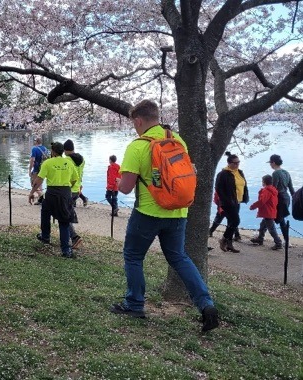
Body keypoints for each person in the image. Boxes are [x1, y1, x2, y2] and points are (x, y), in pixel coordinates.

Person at [110, 99, 218, 332]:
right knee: (179, 257)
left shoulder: (138, 146)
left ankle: (134, 304)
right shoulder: (177, 140)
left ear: (138, 121)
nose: (135, 128)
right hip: (178, 212)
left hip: (148, 212)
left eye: (134, 124)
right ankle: (206, 304)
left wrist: (119, 182)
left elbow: (127, 187)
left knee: (133, 256)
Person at [28, 142, 78, 258]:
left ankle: (45, 236)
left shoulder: (47, 163)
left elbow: (38, 180)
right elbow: (75, 179)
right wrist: (66, 187)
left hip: (52, 192)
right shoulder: (69, 163)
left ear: (53, 152)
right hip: (65, 192)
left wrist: (31, 193)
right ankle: (66, 250)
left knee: (45, 212)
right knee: (64, 221)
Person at [214, 152, 249, 253]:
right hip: (228, 203)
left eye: (238, 162)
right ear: (229, 163)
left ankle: (229, 245)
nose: (237, 164)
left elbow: (243, 185)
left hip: (237, 201)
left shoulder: (240, 172)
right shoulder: (223, 174)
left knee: (231, 222)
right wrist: (226, 200)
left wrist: (244, 196)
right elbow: (219, 189)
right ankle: (224, 239)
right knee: (236, 221)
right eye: (235, 163)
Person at [268, 154, 295, 247]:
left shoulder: (275, 173)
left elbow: (274, 188)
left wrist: (267, 198)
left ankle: (286, 241)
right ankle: (260, 235)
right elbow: (291, 187)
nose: (270, 165)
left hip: (279, 199)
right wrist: (295, 198)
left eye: (270, 163)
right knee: (270, 217)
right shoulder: (286, 172)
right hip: (286, 198)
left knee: (279, 219)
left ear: (273, 163)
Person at [249, 175, 283, 249]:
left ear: (264, 182)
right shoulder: (273, 190)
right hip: (271, 211)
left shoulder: (266, 191)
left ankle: (278, 243)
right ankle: (260, 239)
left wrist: (253, 206)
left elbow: (261, 201)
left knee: (271, 229)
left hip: (268, 212)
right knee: (263, 226)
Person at [63, 139, 84, 249]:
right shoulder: (82, 159)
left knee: (64, 214)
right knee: (68, 211)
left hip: (69, 189)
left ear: (65, 150)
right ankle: (71, 235)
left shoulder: (66, 160)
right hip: (77, 189)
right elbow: (81, 173)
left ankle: (74, 237)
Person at [28, 136, 49, 205]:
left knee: (33, 184)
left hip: (36, 169)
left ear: (36, 142)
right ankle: (40, 200)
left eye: (35, 141)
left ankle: (42, 196)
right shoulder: (45, 149)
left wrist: (29, 169)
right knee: (40, 184)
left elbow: (32, 160)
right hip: (43, 169)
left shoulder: (34, 149)